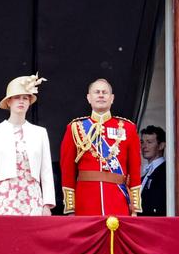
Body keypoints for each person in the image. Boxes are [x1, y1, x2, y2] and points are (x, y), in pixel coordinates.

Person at [60, 78, 142, 217]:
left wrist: (135, 208)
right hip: (85, 201)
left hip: (118, 200)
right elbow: (67, 169)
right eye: (96, 92)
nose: (101, 95)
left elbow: (135, 168)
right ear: (88, 98)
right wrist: (71, 207)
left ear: (112, 98)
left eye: (105, 92)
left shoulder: (128, 128)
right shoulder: (75, 128)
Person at [0, 74, 55, 216]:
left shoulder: (40, 133)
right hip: (4, 197)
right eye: (17, 97)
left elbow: (46, 170)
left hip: (32, 197)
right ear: (8, 102)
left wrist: (47, 204)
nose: (21, 101)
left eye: (25, 98)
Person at [140, 125, 167, 217]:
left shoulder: (167, 172)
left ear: (161, 146)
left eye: (149, 142)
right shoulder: (144, 176)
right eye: (142, 142)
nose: (144, 146)